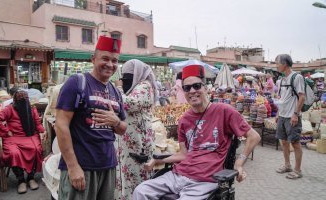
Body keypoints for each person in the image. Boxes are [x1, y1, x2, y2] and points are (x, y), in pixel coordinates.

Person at [133, 65, 260, 200]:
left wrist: (239, 164)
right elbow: (183, 154)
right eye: (187, 88)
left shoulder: (224, 111)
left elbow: (254, 136)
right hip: (177, 175)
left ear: (205, 87)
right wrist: (157, 160)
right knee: (140, 191)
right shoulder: (184, 120)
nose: (192, 91)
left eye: (197, 86)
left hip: (205, 180)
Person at [55, 36, 127, 200]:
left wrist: (115, 121)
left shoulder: (115, 92)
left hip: (108, 165)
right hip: (82, 167)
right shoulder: (77, 82)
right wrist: (72, 167)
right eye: (105, 59)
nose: (110, 64)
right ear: (93, 59)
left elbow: (123, 128)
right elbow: (60, 124)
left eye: (114, 60)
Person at [113, 59, 157, 200]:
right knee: (126, 175)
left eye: (128, 76)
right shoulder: (132, 88)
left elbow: (130, 104)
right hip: (127, 139)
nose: (125, 80)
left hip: (139, 141)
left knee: (137, 176)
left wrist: (119, 89)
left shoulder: (144, 85)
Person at [0, 90, 47, 194]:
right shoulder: (9, 109)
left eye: (25, 100)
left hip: (30, 136)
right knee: (13, 153)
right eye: (21, 101)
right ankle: (21, 180)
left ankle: (31, 177)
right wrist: (6, 131)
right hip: (14, 138)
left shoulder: (31, 109)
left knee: (36, 149)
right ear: (16, 101)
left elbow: (37, 124)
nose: (24, 102)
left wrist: (43, 131)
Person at [275, 54, 305, 179]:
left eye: (277, 63)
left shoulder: (296, 77)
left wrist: (295, 114)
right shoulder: (281, 80)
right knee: (284, 142)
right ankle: (287, 165)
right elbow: (281, 99)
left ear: (285, 64)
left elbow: (302, 97)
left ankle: (297, 170)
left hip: (292, 116)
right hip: (282, 116)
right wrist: (277, 114)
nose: (276, 66)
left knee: (295, 143)